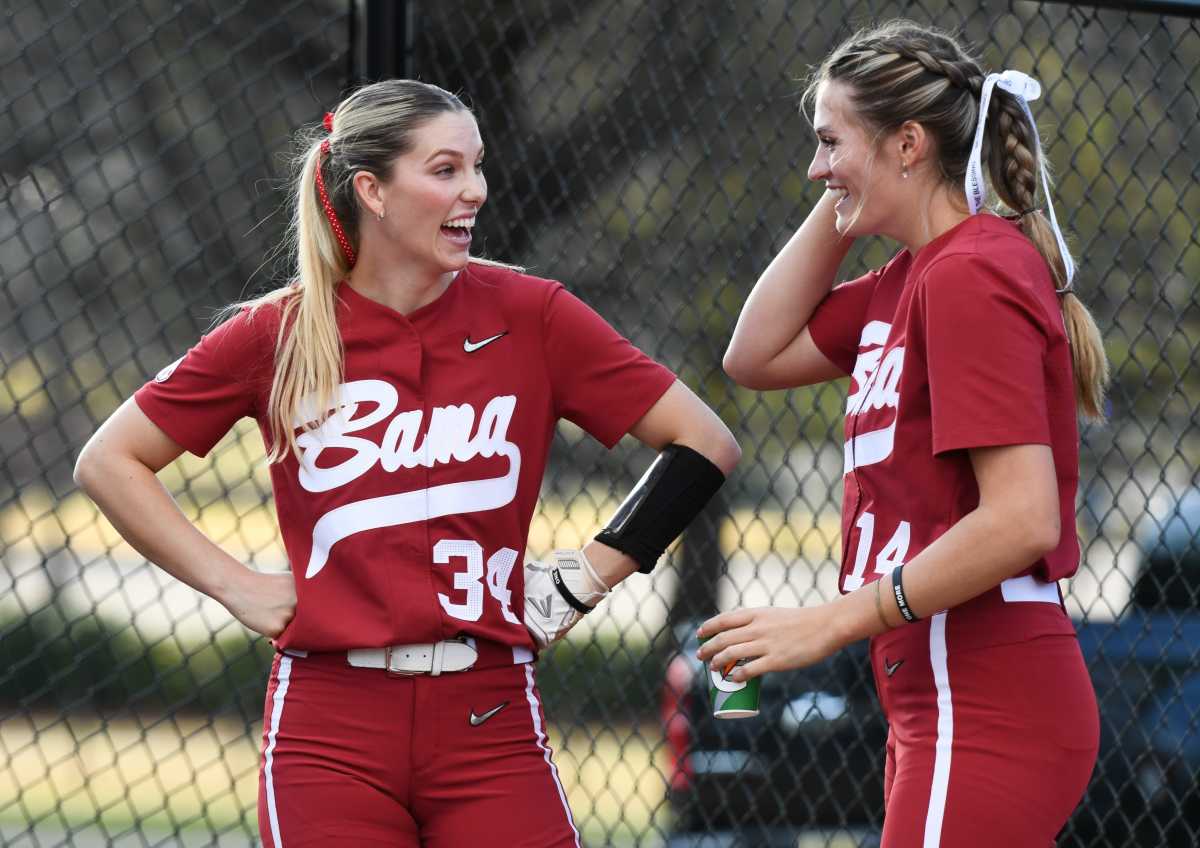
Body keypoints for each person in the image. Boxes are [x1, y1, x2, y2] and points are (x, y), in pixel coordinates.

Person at [73, 79, 740, 848]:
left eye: (478, 168)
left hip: (490, 714)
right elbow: (110, 460)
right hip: (329, 727)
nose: (476, 192)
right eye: (446, 170)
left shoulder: (532, 314)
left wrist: (583, 578)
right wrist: (236, 585)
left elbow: (704, 443)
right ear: (373, 191)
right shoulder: (280, 331)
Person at [699, 20, 1107, 847]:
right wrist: (851, 183)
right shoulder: (910, 276)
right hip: (939, 692)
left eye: (827, 143)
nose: (814, 168)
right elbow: (753, 352)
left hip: (985, 688)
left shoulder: (971, 271)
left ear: (910, 144)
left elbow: (1022, 518)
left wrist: (830, 620)